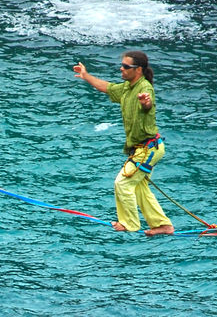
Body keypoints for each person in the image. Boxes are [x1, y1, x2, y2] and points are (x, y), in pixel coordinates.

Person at [73, 50, 174, 236]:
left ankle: (130, 223)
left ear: (139, 70)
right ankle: (163, 225)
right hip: (143, 149)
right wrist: (86, 76)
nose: (121, 68)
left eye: (126, 66)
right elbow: (107, 87)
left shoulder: (144, 88)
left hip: (148, 149)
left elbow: (148, 103)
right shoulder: (127, 88)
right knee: (139, 187)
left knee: (123, 183)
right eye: (122, 65)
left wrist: (146, 103)